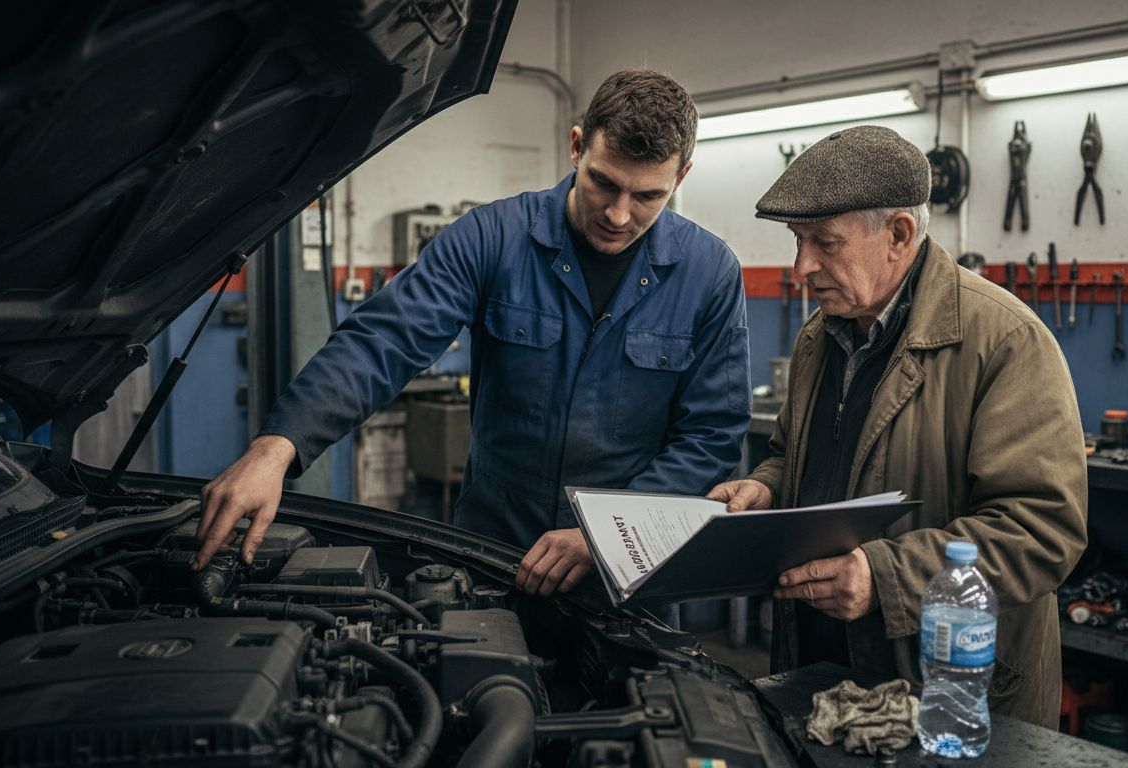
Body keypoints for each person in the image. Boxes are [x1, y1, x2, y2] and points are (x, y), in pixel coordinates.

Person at [194, 69, 752, 597]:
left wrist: (608, 534)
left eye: (648, 196)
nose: (619, 215)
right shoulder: (493, 238)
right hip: (495, 550)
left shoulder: (710, 271)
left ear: (680, 177)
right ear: (577, 147)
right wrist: (277, 447)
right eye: (604, 184)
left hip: (631, 566)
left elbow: (712, 435)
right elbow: (382, 341)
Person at [708, 125, 1086, 727]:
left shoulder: (1005, 341)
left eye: (824, 243)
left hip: (949, 694)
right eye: (798, 240)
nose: (803, 265)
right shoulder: (820, 339)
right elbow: (792, 454)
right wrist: (768, 486)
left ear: (899, 234)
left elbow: (1042, 530)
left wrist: (886, 578)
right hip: (823, 675)